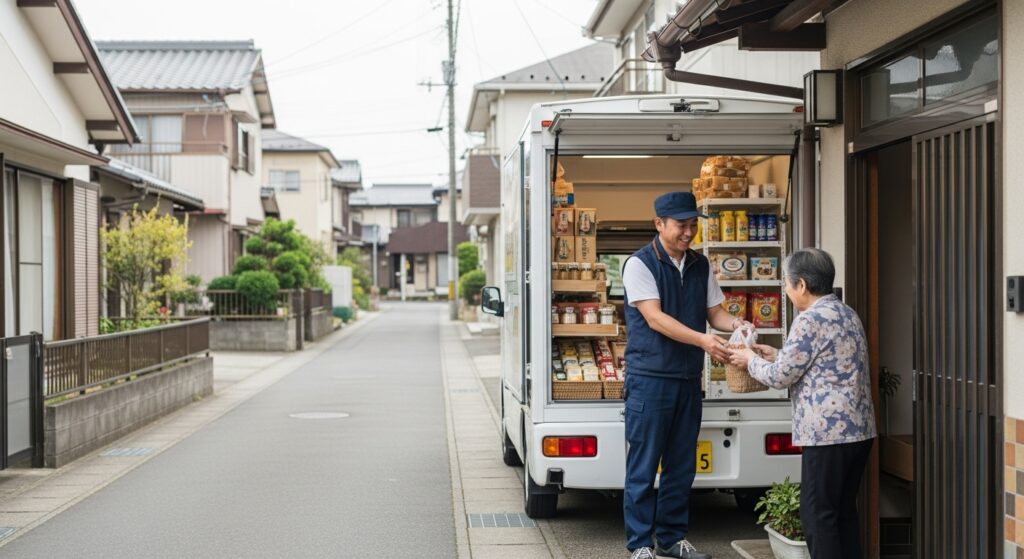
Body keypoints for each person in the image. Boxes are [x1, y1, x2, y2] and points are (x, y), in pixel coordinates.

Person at [621, 191, 749, 559]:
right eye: (681, 225)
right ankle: (640, 545)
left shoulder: (699, 264)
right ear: (659, 224)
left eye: (693, 224)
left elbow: (715, 313)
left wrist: (736, 323)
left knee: (681, 466)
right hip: (650, 378)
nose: (688, 232)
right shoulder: (639, 264)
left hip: (688, 379)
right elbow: (654, 317)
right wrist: (703, 341)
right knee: (643, 467)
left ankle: (671, 539)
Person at [727, 248, 876, 559]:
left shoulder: (809, 320)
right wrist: (774, 354)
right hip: (859, 430)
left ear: (802, 285)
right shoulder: (847, 313)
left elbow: (780, 378)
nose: (786, 288)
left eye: (786, 282)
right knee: (843, 513)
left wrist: (750, 358)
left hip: (827, 434)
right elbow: (824, 365)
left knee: (818, 516)